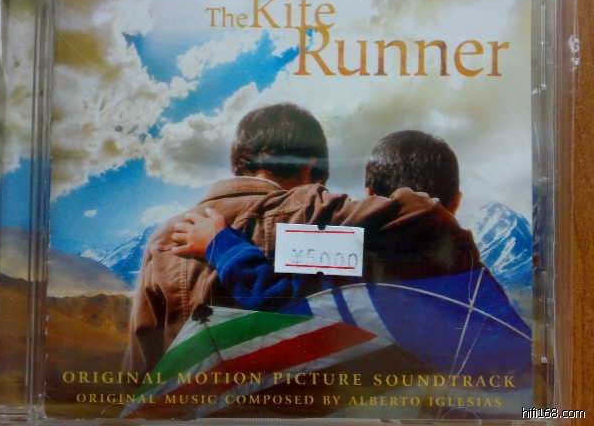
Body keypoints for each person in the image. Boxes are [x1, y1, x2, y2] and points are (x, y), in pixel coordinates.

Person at [124, 107, 473, 374]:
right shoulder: (315, 208)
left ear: (239, 161)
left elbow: (141, 369)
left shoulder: (166, 237)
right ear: (309, 167)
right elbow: (425, 214)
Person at [166, 130, 469, 310]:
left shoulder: (354, 245)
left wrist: (221, 245)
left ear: (369, 195)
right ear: (456, 201)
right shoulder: (468, 267)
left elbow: (281, 300)